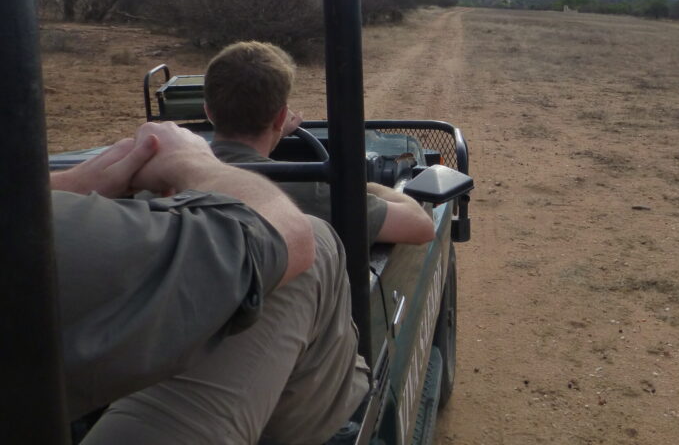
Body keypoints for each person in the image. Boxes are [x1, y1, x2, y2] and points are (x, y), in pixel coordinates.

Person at [51, 121, 368, 444]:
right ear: (281, 115)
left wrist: (64, 185)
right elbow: (286, 236)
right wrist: (193, 164)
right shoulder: (315, 189)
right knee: (313, 239)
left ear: (208, 110)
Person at [203, 41, 434, 246]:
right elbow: (420, 225)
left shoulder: (175, 178)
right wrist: (354, 186)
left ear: (209, 112)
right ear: (282, 117)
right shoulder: (300, 191)